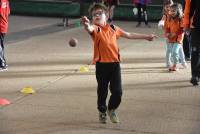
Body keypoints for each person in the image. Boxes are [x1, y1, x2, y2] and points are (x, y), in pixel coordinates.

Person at [81, 3, 157, 124]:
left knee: (117, 92)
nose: (97, 15)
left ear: (107, 15)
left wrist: (147, 36)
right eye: (94, 14)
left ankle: (112, 109)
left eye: (100, 13)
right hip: (101, 65)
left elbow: (129, 34)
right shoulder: (96, 29)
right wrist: (86, 24)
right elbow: (89, 28)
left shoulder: (113, 28)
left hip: (115, 65)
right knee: (102, 91)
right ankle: (102, 111)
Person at [183, 0, 200, 86]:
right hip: (196, 26)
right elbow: (189, 9)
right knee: (195, 50)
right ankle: (195, 75)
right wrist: (186, 25)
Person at [165, 3, 185, 71]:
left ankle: (175, 65)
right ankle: (181, 63)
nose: (171, 12)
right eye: (171, 10)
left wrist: (175, 34)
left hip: (178, 39)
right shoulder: (169, 17)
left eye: (174, 11)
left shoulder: (181, 18)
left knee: (175, 52)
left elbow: (182, 29)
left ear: (178, 11)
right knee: (173, 51)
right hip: (171, 38)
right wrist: (167, 33)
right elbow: (167, 27)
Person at [0, 0, 10, 71]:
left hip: (0, 26)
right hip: (4, 25)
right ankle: (3, 62)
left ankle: (2, 64)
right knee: (1, 45)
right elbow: (8, 12)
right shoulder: (6, 1)